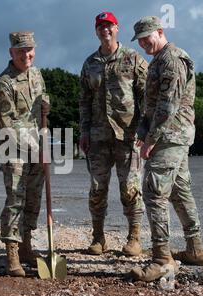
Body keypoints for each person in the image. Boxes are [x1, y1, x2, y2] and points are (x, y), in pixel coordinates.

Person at [130, 16, 203, 282]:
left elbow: (167, 107)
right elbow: (151, 105)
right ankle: (196, 249)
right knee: (179, 190)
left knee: (154, 192)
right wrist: (143, 134)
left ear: (160, 32)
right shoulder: (159, 60)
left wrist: (151, 140)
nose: (143, 43)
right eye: (139, 40)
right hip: (168, 135)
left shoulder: (172, 60)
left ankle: (162, 259)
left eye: (147, 37)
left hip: (170, 136)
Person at [79, 12, 148, 257]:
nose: (104, 30)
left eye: (108, 25)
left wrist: (145, 129)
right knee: (97, 189)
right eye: (100, 26)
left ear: (116, 28)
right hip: (97, 137)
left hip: (128, 136)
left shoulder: (132, 58)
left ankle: (134, 237)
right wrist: (84, 131)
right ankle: (98, 237)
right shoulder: (90, 63)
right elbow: (84, 100)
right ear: (96, 31)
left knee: (130, 188)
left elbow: (146, 95)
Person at [0, 32, 50, 277]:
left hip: (37, 146)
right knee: (16, 198)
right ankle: (12, 253)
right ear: (11, 53)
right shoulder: (2, 84)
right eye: (21, 51)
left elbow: (39, 112)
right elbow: (8, 123)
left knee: (34, 197)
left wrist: (47, 107)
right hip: (14, 149)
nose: (27, 55)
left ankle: (26, 245)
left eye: (30, 49)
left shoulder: (36, 74)